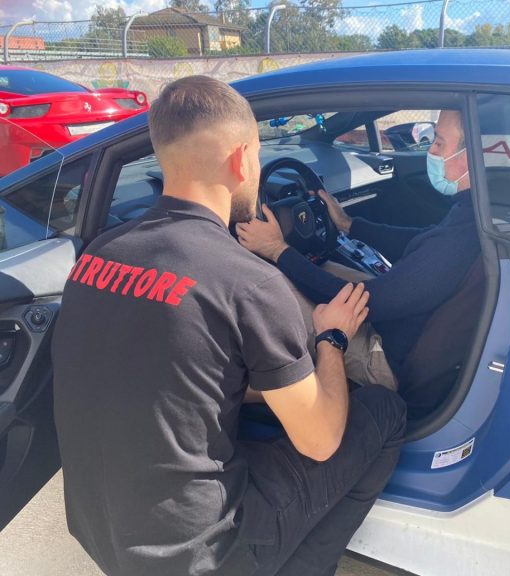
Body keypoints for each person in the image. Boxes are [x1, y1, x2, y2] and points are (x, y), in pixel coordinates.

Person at [52, 76, 406, 576]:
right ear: (242, 160)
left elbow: (186, 375)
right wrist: (331, 336)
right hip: (205, 552)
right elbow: (321, 440)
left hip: (100, 530)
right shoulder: (251, 284)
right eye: (258, 158)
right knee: (384, 410)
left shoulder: (96, 255)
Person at [237, 110, 481, 391]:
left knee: (269, 291)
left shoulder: (457, 242)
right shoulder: (471, 214)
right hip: (399, 323)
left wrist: (277, 250)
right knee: (318, 270)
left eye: (438, 143)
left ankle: (247, 391)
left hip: (387, 358)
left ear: (467, 157)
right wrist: (349, 224)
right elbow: (423, 240)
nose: (432, 151)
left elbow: (365, 303)